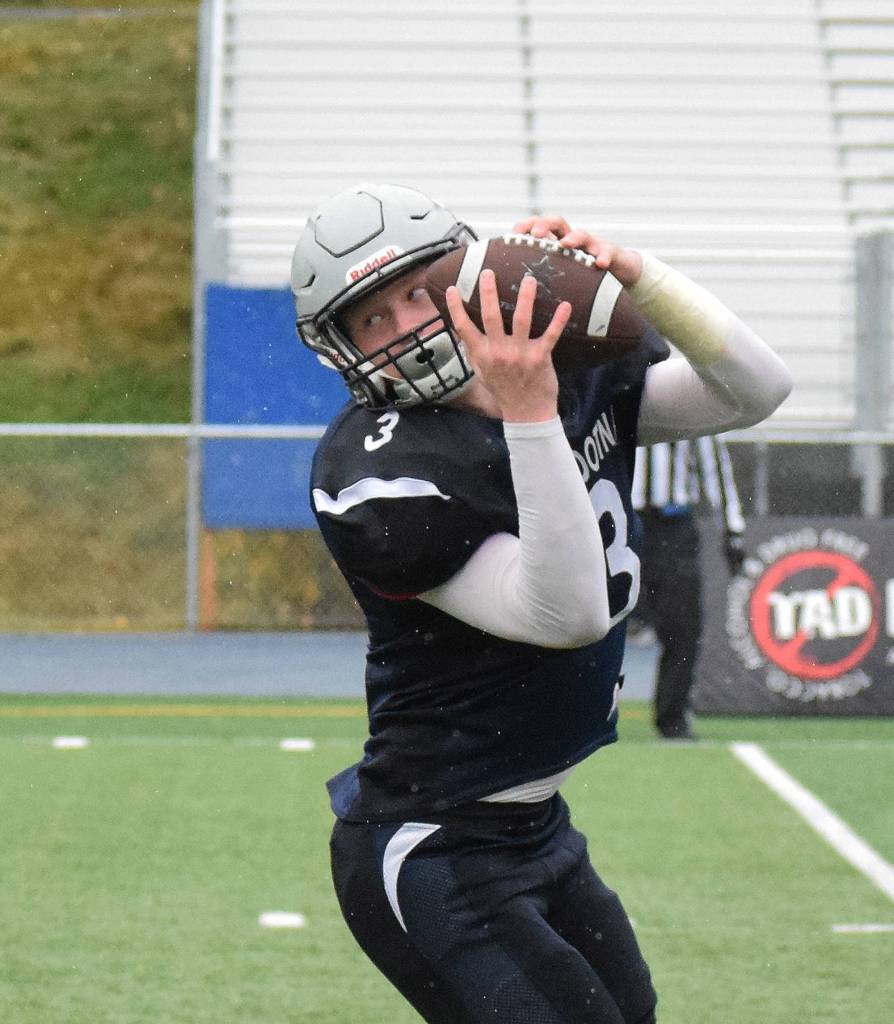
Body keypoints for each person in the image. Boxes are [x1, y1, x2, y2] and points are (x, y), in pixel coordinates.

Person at [290, 182, 792, 1023]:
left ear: (463, 275)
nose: (406, 329)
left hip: (539, 828)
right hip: (432, 841)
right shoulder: (382, 472)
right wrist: (529, 413)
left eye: (416, 292)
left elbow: (755, 392)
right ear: (341, 346)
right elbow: (568, 616)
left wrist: (639, 277)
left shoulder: (568, 370)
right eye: (372, 319)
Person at [632, 436, 746, 740]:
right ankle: (582, 718)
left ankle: (672, 718)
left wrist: (732, 530)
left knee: (683, 628)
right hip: (622, 520)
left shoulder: (689, 404)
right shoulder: (614, 397)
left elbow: (715, 468)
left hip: (673, 527)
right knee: (596, 621)